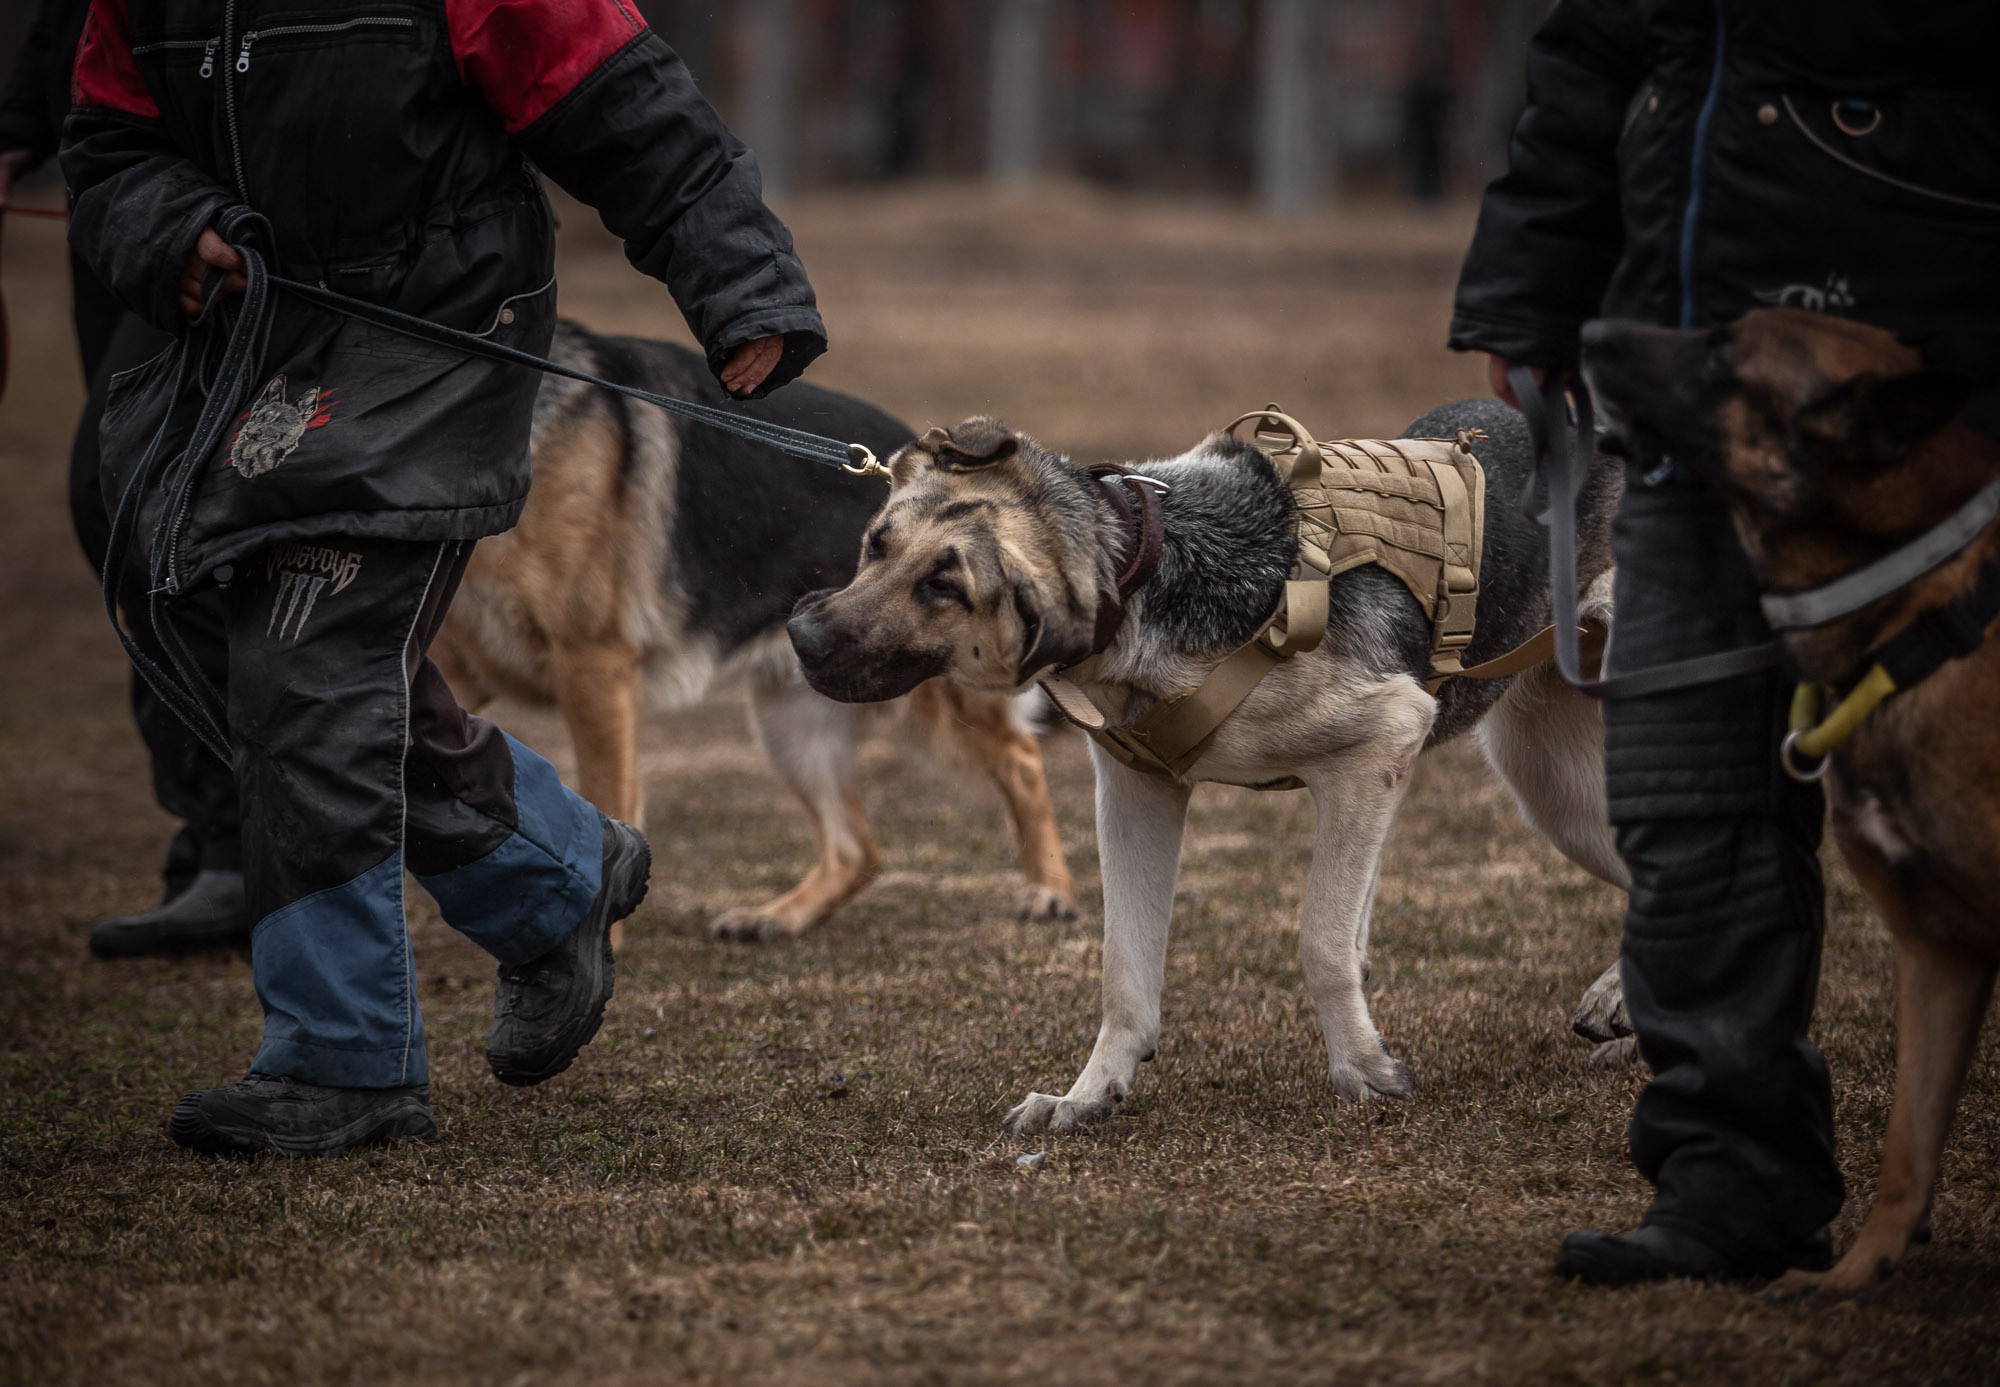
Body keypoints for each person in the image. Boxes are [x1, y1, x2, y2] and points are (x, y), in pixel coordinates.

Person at [63, 0, 827, 1156]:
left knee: (313, 667)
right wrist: (169, 233)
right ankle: (558, 875)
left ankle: (343, 1058)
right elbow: (108, 145)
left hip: (433, 324)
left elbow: (624, 100)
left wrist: (743, 282)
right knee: (244, 654)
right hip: (246, 335)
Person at [1451, 0, 2000, 1284]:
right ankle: (1727, 1182)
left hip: (1917, 394)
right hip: (1701, 393)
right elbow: (1591, 58)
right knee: (1685, 799)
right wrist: (1527, 290)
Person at [3, 0, 245, 958]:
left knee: (138, 503)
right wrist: (19, 126)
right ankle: (218, 841)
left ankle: (249, 841)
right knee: (132, 523)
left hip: (215, 210)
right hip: (110, 199)